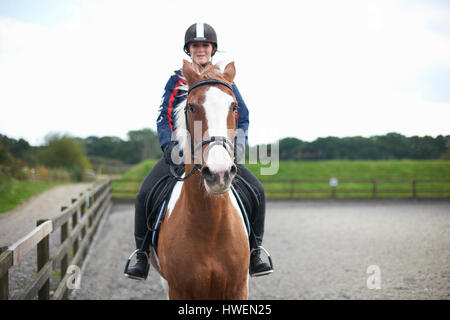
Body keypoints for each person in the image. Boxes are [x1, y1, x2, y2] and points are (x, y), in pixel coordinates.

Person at [124, 23, 273, 280]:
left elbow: (243, 116)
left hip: (220, 151)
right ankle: (140, 254)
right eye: (196, 45)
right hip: (180, 153)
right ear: (189, 49)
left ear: (212, 49)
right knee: (145, 193)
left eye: (205, 45)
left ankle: (256, 251)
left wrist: (237, 146)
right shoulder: (176, 79)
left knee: (257, 190)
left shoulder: (224, 80)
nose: (201, 49)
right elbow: (163, 117)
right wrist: (169, 146)